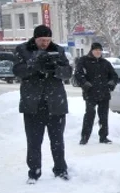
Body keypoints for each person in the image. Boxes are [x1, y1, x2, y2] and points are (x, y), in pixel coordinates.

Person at [13, 25, 73, 184]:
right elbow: (18, 71)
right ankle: (34, 172)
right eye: (42, 40)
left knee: (57, 141)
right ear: (35, 38)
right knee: (33, 141)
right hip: (33, 105)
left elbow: (68, 73)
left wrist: (56, 69)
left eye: (47, 40)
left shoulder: (58, 51)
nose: (45, 43)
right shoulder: (22, 50)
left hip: (55, 104)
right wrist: (34, 64)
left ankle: (60, 169)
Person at [74, 42, 118, 145]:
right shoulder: (84, 61)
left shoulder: (105, 63)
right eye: (96, 50)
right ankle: (84, 137)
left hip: (104, 94)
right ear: (91, 50)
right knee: (89, 115)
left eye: (99, 50)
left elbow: (114, 76)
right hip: (90, 94)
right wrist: (85, 84)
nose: (98, 52)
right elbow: (78, 74)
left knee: (103, 116)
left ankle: (103, 137)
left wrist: (111, 83)